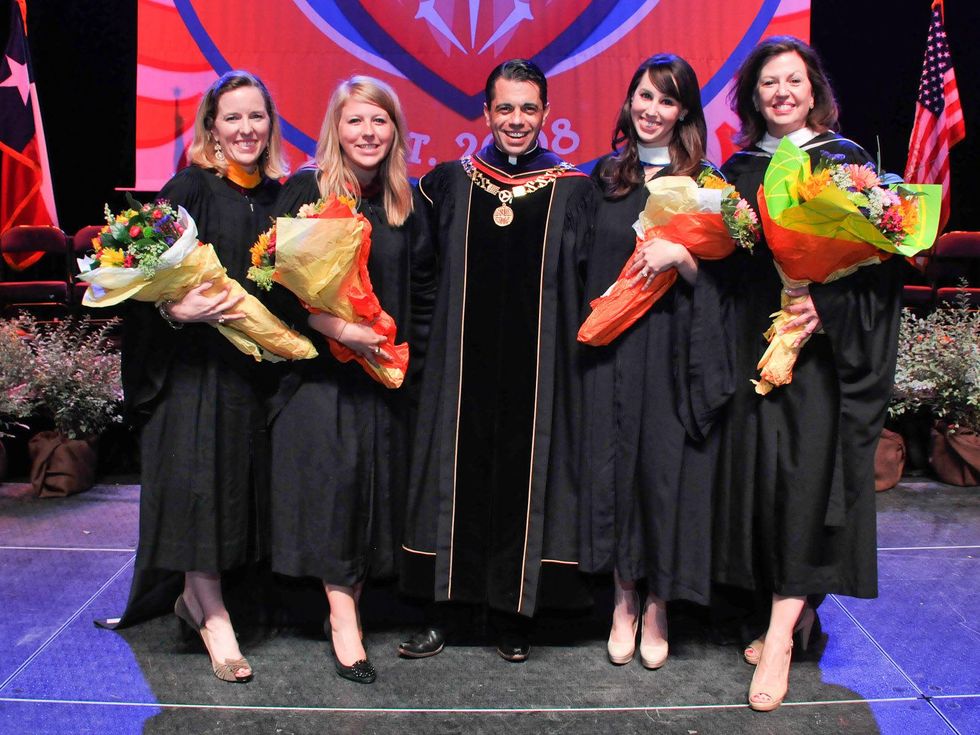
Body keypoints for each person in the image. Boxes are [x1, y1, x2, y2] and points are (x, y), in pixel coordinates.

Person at [714, 36, 903, 711]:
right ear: (753, 95)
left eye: (794, 80)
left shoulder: (846, 163)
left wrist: (827, 304)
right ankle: (794, 608)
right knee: (762, 486)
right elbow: (729, 262)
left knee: (804, 487)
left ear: (813, 87)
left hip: (821, 356)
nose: (782, 92)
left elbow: (880, 265)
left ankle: (780, 635)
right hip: (752, 351)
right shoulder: (738, 169)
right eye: (770, 83)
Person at [398, 59, 597, 662]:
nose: (515, 120)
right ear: (485, 113)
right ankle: (445, 614)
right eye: (504, 108)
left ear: (546, 113)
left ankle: (515, 617)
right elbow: (422, 280)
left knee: (524, 482)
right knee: (450, 483)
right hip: (459, 372)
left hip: (539, 373)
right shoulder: (447, 184)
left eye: (528, 108)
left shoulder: (574, 190)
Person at [116, 70, 288, 683]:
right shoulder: (186, 189)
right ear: (211, 127)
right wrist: (173, 308)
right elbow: (132, 283)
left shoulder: (279, 198)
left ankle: (200, 597)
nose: (246, 129)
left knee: (238, 492)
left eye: (256, 117)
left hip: (254, 376)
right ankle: (212, 615)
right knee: (200, 489)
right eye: (233, 117)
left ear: (271, 125)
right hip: (191, 372)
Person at [268, 76, 435, 684]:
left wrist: (405, 355)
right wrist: (335, 327)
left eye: (380, 121)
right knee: (336, 494)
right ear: (335, 130)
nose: (368, 133)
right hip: (319, 378)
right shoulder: (302, 193)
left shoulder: (407, 203)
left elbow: (422, 292)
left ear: (396, 131)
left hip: (384, 377)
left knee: (372, 499)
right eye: (356, 121)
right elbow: (272, 284)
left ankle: (352, 606)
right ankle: (344, 622)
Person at [580, 54, 734, 670]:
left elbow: (724, 285)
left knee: (665, 478)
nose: (652, 110)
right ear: (628, 100)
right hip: (614, 354)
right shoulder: (603, 179)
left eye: (667, 101)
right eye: (644, 96)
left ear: (685, 112)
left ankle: (659, 604)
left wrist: (682, 257)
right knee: (615, 473)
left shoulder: (708, 184)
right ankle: (622, 599)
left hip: (674, 353)